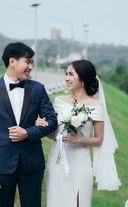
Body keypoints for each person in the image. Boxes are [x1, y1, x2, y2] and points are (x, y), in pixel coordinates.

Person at [0, 42, 57, 207]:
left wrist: (28, 133)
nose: (30, 67)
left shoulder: (37, 89)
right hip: (1, 166)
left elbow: (52, 121)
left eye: (32, 63)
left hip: (32, 164)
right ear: (12, 61)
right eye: (27, 62)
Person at [36, 59, 121, 207]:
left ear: (82, 78)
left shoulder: (96, 106)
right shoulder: (59, 101)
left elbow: (99, 140)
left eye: (71, 74)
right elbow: (54, 134)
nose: (66, 78)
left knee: (79, 202)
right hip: (57, 161)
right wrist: (41, 127)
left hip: (81, 162)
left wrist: (76, 140)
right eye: (66, 74)